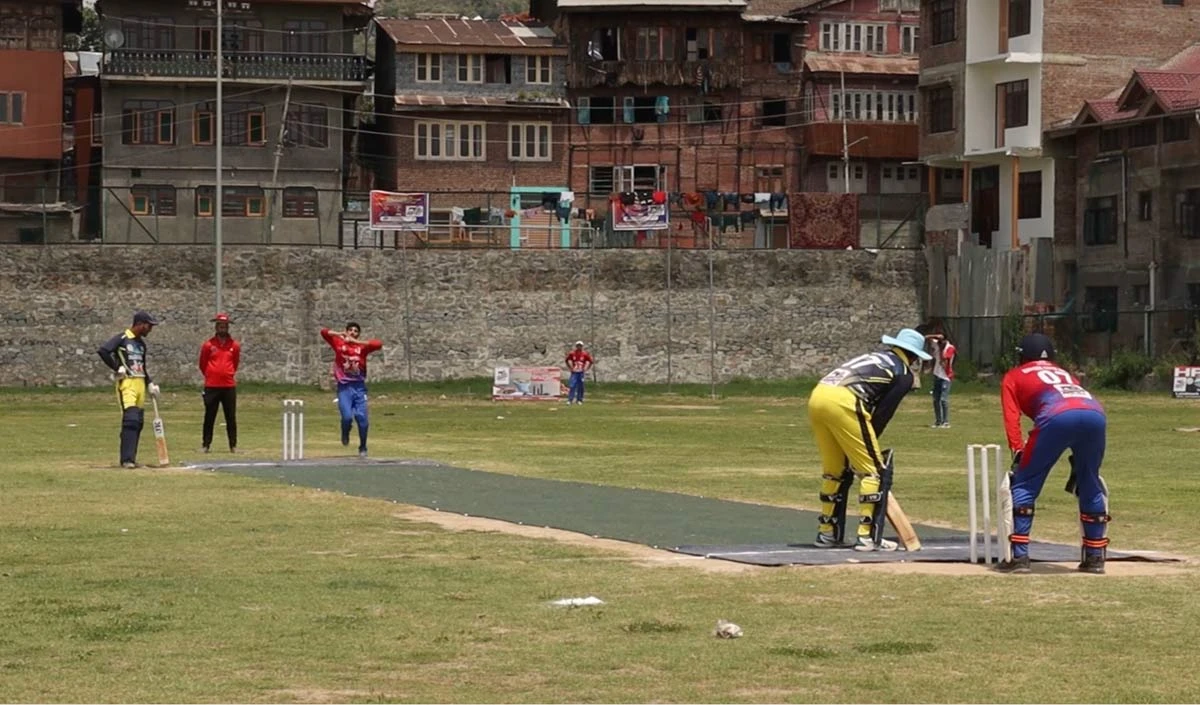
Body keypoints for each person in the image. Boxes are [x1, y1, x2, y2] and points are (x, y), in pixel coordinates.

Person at [809, 328, 932, 551]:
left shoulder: (878, 357)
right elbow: (883, 414)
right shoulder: (902, 373)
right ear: (914, 356)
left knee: (835, 471)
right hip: (844, 401)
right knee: (874, 471)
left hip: (818, 396)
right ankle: (867, 536)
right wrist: (865, 446)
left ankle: (827, 534)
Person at [998, 333, 1110, 574]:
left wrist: (1017, 448)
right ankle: (1094, 558)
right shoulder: (1065, 373)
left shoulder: (1014, 376)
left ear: (1021, 356)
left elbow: (1011, 416)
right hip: (1094, 413)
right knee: (1089, 482)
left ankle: (1019, 557)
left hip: (1056, 416)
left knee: (1024, 484)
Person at [97, 310, 161, 468]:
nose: (150, 329)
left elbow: (142, 367)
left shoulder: (141, 344)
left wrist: (150, 384)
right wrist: (117, 367)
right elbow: (103, 351)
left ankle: (131, 458)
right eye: (148, 326)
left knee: (138, 422)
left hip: (140, 383)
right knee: (131, 420)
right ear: (139, 324)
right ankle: (126, 460)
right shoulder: (122, 338)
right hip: (127, 383)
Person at [320, 322, 383, 458]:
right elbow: (324, 332)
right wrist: (339, 334)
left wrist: (357, 341)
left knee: (362, 419)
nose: (353, 332)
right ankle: (345, 431)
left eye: (356, 331)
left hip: (359, 387)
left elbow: (378, 344)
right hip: (344, 388)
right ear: (346, 331)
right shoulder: (338, 343)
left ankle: (363, 446)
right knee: (347, 416)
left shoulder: (361, 347)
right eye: (350, 330)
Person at [198, 312, 241, 453]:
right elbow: (203, 364)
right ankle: (206, 444)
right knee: (209, 416)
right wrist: (212, 375)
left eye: (225, 326)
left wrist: (226, 374)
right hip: (212, 386)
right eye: (220, 326)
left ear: (228, 327)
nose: (223, 328)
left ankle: (233, 445)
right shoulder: (208, 345)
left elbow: (235, 363)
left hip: (228, 386)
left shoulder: (234, 345)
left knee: (230, 417)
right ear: (216, 327)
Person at [927, 331, 957, 428]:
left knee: (943, 399)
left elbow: (944, 359)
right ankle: (938, 421)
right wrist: (935, 336)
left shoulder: (950, 348)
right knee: (936, 399)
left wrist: (939, 349)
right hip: (937, 375)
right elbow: (925, 337)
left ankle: (946, 421)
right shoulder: (937, 344)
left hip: (946, 376)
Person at [565, 340, 593, 405]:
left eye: (580, 346)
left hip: (581, 372)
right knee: (572, 385)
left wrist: (586, 368)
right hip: (574, 372)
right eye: (578, 346)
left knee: (581, 386)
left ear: (582, 346)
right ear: (576, 346)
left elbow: (590, 361)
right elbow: (567, 360)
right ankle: (570, 400)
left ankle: (579, 400)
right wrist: (570, 368)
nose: (579, 347)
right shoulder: (572, 354)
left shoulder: (585, 354)